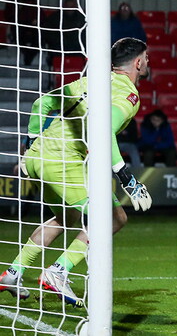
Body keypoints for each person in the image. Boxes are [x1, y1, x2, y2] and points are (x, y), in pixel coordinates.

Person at [0, 37, 153, 305]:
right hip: (63, 161)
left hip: (38, 157)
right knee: (113, 218)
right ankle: (58, 272)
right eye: (147, 58)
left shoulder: (87, 82)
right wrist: (127, 179)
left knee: (66, 217)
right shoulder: (127, 94)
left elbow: (41, 104)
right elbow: (104, 129)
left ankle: (13, 273)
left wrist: (30, 145)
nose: (148, 62)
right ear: (138, 63)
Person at [5, 0, 41, 66]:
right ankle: (26, 54)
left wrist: (36, 20)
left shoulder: (32, 2)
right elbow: (8, 16)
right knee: (18, 36)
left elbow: (40, 15)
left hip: (32, 26)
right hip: (18, 26)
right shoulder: (11, 3)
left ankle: (30, 55)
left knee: (38, 37)